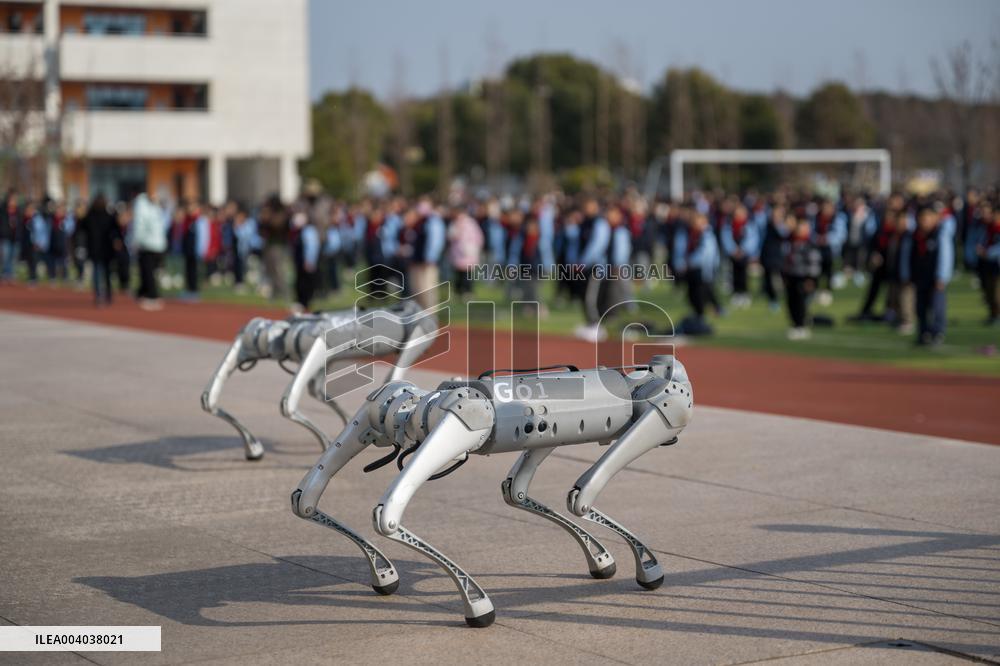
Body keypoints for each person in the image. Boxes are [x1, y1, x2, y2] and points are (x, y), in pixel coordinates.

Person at [900, 206, 954, 346]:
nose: (925, 221)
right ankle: (923, 333)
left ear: (936, 218)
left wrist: (942, 276)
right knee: (920, 306)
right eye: (922, 218)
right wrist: (907, 275)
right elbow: (907, 256)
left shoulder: (940, 235)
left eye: (928, 217)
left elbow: (945, 256)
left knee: (937, 306)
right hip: (919, 277)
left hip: (935, 278)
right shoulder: (914, 236)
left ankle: (937, 333)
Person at [673, 211, 720, 334]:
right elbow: (679, 249)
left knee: (702, 292)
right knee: (691, 293)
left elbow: (706, 254)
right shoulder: (686, 233)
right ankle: (698, 313)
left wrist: (690, 262)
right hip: (689, 269)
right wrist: (680, 263)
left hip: (702, 270)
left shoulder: (707, 235)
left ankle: (704, 313)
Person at [781, 215, 822, 340]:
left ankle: (801, 325)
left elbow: (814, 263)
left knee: (801, 302)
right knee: (791, 301)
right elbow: (786, 260)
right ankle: (794, 324)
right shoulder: (790, 241)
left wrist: (811, 279)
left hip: (803, 276)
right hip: (791, 275)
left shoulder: (809, 243)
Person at [132, 192, 167, 310]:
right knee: (151, 271)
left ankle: (152, 296)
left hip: (147, 244)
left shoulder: (141, 209)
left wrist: (136, 241)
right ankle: (143, 293)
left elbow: (139, 226)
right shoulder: (155, 209)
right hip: (158, 245)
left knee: (147, 272)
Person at [720, 204, 759, 308]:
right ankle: (736, 293)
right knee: (734, 274)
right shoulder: (729, 225)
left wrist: (743, 250)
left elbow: (753, 239)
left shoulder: (749, 224)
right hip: (733, 253)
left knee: (743, 275)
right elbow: (726, 238)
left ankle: (745, 294)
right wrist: (733, 250)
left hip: (744, 254)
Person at [81, 194, 116, 306]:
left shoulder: (90, 216)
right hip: (105, 248)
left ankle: (98, 295)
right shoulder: (108, 215)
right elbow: (115, 230)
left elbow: (81, 228)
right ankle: (108, 294)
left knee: (97, 272)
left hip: (96, 248)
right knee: (106, 272)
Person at [447, 207, 484, 300]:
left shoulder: (471, 223)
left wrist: (473, 248)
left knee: (467, 275)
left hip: (468, 253)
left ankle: (467, 292)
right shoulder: (455, 223)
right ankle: (458, 292)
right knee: (459, 274)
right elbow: (451, 235)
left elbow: (478, 237)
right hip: (458, 254)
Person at [291, 203, 321, 311]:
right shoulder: (300, 231)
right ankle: (301, 301)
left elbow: (312, 247)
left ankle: (304, 302)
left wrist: (309, 261)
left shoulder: (309, 230)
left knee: (305, 282)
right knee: (300, 280)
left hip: (306, 262)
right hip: (300, 261)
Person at [975, 205, 1000, 326]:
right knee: (989, 291)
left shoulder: (997, 228)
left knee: (996, 292)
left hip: (996, 264)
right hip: (987, 264)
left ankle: (997, 315)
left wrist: (987, 252)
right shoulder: (988, 228)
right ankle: (993, 315)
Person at [0, 190, 17, 282]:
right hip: (5, 236)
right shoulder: (3, 210)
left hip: (15, 237)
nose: (13, 201)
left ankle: (11, 275)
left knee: (13, 257)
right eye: (11, 199)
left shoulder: (18, 211)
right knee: (5, 256)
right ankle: (4, 274)